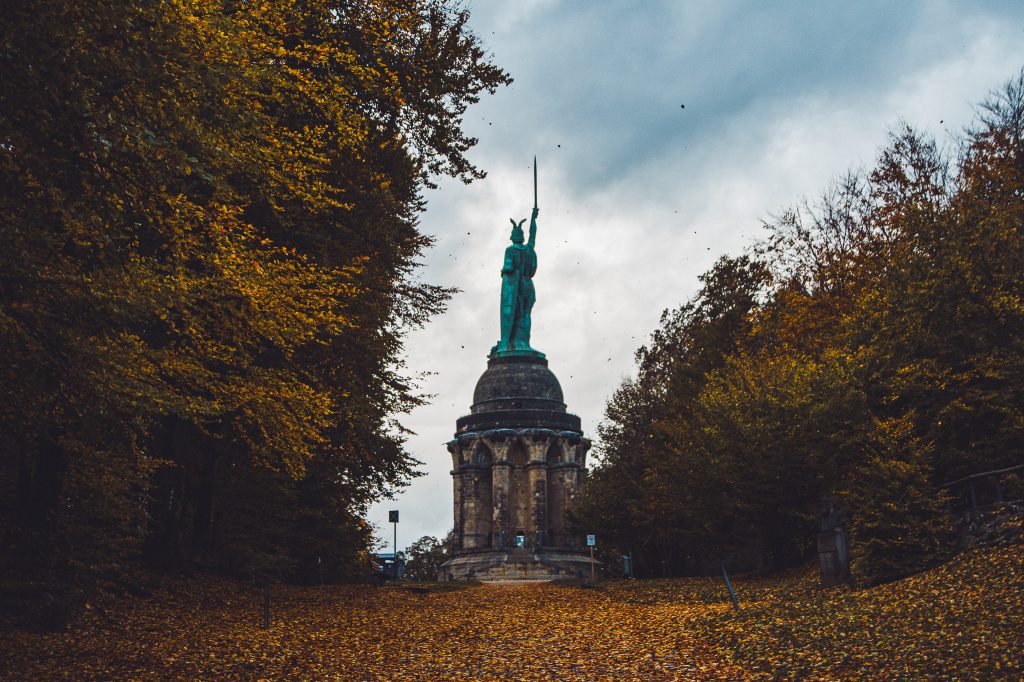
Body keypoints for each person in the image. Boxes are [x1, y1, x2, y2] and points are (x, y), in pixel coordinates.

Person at [493, 206, 539, 354]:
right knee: (526, 313)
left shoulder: (510, 250)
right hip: (528, 285)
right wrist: (533, 218)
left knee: (516, 312)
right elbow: (533, 235)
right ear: (522, 237)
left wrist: (504, 271)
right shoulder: (528, 249)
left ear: (513, 237)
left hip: (516, 286)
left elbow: (508, 268)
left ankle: (515, 341)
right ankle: (524, 341)